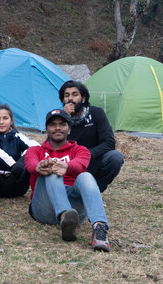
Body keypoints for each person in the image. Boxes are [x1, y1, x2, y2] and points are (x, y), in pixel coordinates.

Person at [24, 108, 110, 252]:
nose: (57, 128)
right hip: (44, 206)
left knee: (86, 176)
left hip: (74, 209)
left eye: (62, 124)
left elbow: (81, 164)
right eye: (52, 125)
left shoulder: (80, 150)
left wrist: (67, 166)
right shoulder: (35, 150)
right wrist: (39, 167)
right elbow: (30, 164)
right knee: (52, 171)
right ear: (46, 130)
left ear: (69, 129)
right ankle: (65, 216)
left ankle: (99, 229)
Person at [59, 80, 123, 192]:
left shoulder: (96, 113)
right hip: (69, 164)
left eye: (75, 95)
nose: (70, 99)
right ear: (62, 100)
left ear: (83, 99)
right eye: (66, 95)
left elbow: (109, 143)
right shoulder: (58, 118)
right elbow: (52, 144)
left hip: (92, 160)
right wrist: (64, 118)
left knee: (115, 157)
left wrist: (85, 155)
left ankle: (95, 192)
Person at [0, 104, 38, 211]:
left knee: (31, 153)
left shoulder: (18, 136)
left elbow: (37, 146)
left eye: (5, 118)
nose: (1, 122)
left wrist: (22, 162)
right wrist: (14, 164)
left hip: (15, 186)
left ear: (11, 121)